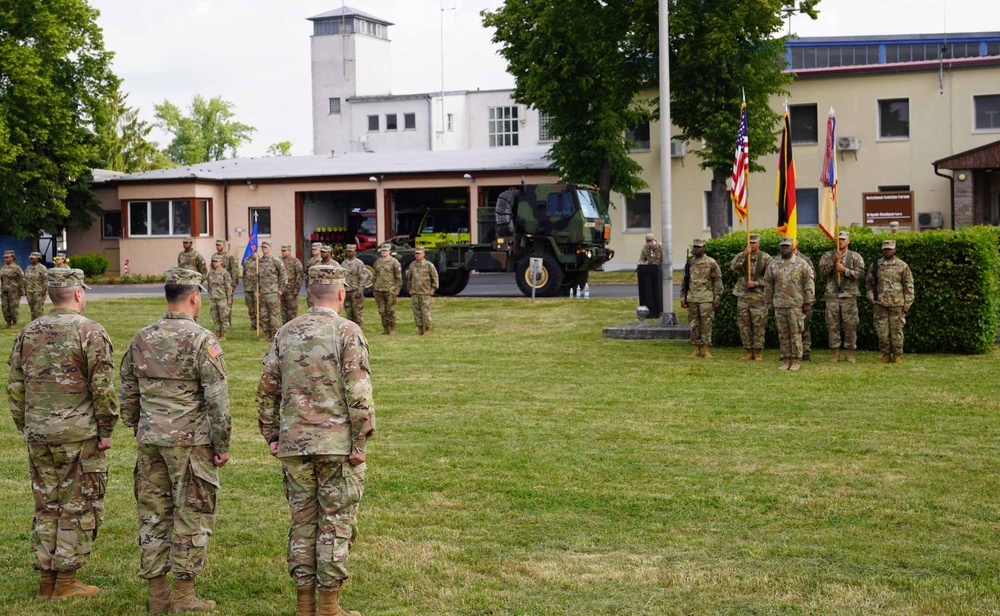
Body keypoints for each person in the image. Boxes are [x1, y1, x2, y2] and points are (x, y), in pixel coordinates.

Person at [256, 264, 376, 616]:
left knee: (303, 522)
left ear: (309, 293)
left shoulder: (285, 333)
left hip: (295, 446)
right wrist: (361, 442)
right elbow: (359, 393)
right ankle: (327, 607)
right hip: (337, 446)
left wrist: (272, 435)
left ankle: (304, 606)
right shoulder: (347, 332)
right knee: (335, 523)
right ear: (341, 293)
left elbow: (266, 390)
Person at [120, 268, 231, 614]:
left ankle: (158, 597)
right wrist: (222, 444)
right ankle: (182, 598)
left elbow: (127, 392)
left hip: (150, 440)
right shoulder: (202, 340)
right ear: (195, 296)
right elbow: (217, 399)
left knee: (153, 515)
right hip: (190, 443)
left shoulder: (141, 337)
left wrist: (139, 425)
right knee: (192, 515)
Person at [7, 268, 118, 601]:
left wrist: (26, 425)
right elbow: (102, 388)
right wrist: (107, 429)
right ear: (79, 294)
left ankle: (47, 580)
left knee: (46, 505)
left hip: (39, 434)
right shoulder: (90, 331)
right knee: (77, 505)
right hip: (77, 435)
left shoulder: (29, 331)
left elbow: (15, 386)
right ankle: (66, 582)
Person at [763, 237, 815, 371]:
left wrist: (808, 301)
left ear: (792, 247)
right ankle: (786, 359)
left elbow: (809, 282)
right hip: (779, 304)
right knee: (783, 334)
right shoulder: (773, 264)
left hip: (796, 305)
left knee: (796, 333)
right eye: (782, 246)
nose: (784, 248)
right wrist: (769, 303)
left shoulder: (801, 263)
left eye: (787, 246)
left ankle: (796, 360)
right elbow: (768, 285)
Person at [818, 231, 865, 363]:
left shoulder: (855, 257)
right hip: (832, 296)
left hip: (849, 297)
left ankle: (849, 353)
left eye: (843, 239)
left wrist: (845, 270)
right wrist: (833, 262)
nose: (840, 241)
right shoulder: (827, 255)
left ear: (848, 241)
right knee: (833, 326)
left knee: (850, 326)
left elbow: (861, 275)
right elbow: (822, 272)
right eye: (838, 239)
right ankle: (835, 353)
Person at [867, 239, 914, 364]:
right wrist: (870, 296)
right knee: (882, 331)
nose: (887, 251)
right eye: (885, 249)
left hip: (897, 303)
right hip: (880, 303)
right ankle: (885, 354)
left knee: (896, 330)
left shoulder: (902, 265)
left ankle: (897, 355)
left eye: (890, 249)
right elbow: (869, 283)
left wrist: (907, 303)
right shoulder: (876, 265)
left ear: (895, 249)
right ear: (882, 250)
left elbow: (908, 285)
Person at [729, 234, 772, 360]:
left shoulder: (765, 258)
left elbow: (771, 278)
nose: (752, 245)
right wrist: (743, 255)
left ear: (759, 244)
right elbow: (732, 267)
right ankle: (748, 350)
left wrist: (757, 283)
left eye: (754, 243)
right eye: (750, 242)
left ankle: (758, 351)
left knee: (759, 324)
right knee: (744, 324)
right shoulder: (742, 255)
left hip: (758, 297)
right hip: (743, 295)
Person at [680, 239, 723, 358]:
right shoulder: (690, 263)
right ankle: (696, 349)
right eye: (694, 247)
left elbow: (717, 281)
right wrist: (683, 297)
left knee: (706, 323)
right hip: (692, 298)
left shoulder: (711, 262)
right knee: (694, 324)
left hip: (706, 298)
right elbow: (685, 281)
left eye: (699, 247)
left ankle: (706, 349)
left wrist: (716, 298)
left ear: (704, 248)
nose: (696, 249)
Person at [258, 241, 288, 339]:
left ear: (270, 248)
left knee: (274, 314)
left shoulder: (276, 260)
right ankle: (267, 333)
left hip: (273, 291)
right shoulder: (260, 261)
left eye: (266, 247)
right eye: (262, 247)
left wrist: (281, 289)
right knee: (264, 314)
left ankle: (275, 335)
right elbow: (258, 277)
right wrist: (257, 290)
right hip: (263, 291)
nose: (264, 249)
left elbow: (283, 275)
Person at [406, 247, 439, 335]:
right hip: (415, 293)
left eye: (419, 253)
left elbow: (435, 278)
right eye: (416, 253)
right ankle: (420, 328)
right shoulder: (412, 265)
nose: (417, 255)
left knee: (425, 312)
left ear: (423, 254)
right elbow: (409, 278)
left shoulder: (429, 265)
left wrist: (433, 289)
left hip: (425, 292)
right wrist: (410, 289)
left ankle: (427, 329)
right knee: (416, 312)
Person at [372, 243, 402, 335]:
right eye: (382, 250)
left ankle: (392, 327)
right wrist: (374, 287)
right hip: (379, 289)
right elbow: (375, 276)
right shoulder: (378, 262)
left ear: (389, 251)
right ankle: (385, 328)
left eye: (385, 250)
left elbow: (398, 277)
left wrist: (397, 289)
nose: (383, 252)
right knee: (381, 310)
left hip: (390, 289)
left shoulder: (394, 262)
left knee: (390, 309)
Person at [795, 249, 816, 361]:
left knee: (804, 326)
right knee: (787, 328)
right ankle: (788, 352)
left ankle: (805, 352)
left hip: (802, 298)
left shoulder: (805, 260)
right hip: (786, 299)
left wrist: (808, 300)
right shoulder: (778, 260)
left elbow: (811, 279)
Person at [214, 240, 241, 330]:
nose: (217, 246)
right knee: (217, 307)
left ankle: (227, 324)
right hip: (217, 286)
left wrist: (233, 284)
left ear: (224, 245)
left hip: (227, 285)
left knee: (227, 306)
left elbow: (235, 271)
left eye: (219, 245)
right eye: (216, 245)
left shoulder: (230, 257)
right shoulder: (214, 256)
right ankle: (220, 325)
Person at [342, 244, 370, 326]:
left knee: (357, 312)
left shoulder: (359, 263)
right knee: (348, 311)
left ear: (354, 252)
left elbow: (363, 277)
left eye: (350, 251)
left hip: (355, 291)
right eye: (347, 251)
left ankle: (358, 328)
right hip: (347, 291)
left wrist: (360, 291)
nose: (348, 253)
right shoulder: (344, 263)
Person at [208, 254, 234, 341]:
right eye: (213, 261)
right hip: (213, 298)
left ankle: (224, 334)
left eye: (216, 261)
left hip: (222, 298)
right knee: (215, 316)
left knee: (223, 317)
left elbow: (228, 286)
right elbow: (209, 286)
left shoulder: (225, 273)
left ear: (221, 262)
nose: (215, 263)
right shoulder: (211, 273)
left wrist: (229, 298)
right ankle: (218, 333)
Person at [281, 245, 305, 324]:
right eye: (282, 251)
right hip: (282, 290)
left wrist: (296, 289)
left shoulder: (295, 261)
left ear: (290, 251)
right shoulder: (280, 261)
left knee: (292, 310)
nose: (283, 252)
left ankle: (292, 326)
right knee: (283, 310)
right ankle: (284, 326)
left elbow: (299, 276)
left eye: (285, 251)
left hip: (291, 289)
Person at [2, 249, 25, 328]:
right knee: (5, 307)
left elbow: (21, 279)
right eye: (5, 258)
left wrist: (21, 290)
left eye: (7, 257)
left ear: (12, 258)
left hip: (14, 291)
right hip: (4, 290)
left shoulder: (17, 268)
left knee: (13, 307)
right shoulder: (3, 268)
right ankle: (8, 322)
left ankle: (14, 322)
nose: (5, 259)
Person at [24, 251, 48, 321]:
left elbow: (45, 280)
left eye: (32, 258)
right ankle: (33, 321)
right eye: (30, 258)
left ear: (37, 259)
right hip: (29, 291)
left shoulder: (42, 268)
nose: (31, 259)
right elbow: (25, 279)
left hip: (38, 291)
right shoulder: (28, 268)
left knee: (38, 308)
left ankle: (39, 321)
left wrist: (44, 290)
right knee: (32, 308)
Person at [243, 253, 259, 331]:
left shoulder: (260, 260)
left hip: (256, 288)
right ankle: (253, 325)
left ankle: (260, 325)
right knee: (251, 308)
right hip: (248, 287)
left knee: (257, 308)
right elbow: (244, 273)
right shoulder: (246, 261)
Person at [306, 242, 324, 310]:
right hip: (311, 287)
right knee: (311, 308)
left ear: (320, 250)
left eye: (315, 249)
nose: (313, 251)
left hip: (321, 288)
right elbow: (307, 275)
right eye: (312, 249)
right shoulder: (310, 261)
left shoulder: (323, 261)